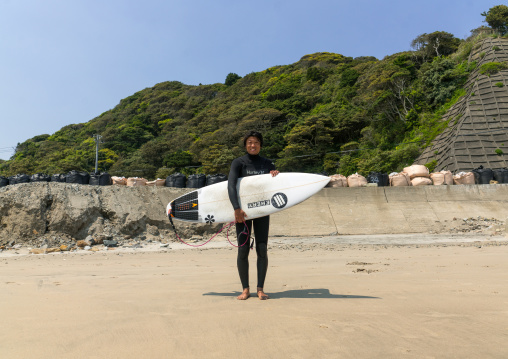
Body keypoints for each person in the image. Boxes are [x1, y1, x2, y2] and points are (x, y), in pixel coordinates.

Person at [228, 130, 279, 300]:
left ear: (260, 145)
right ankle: (245, 289)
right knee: (243, 250)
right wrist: (236, 209)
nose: (253, 145)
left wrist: (275, 175)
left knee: (262, 249)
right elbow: (231, 186)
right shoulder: (238, 163)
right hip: (242, 213)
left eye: (256, 142)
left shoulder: (267, 163)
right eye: (250, 142)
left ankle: (260, 289)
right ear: (245, 145)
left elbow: (275, 187)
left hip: (262, 211)